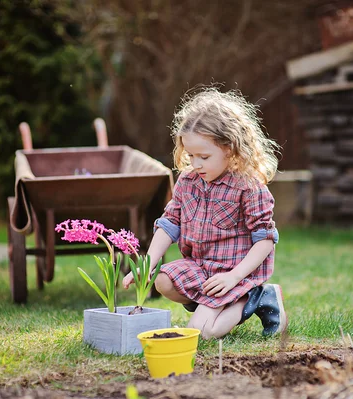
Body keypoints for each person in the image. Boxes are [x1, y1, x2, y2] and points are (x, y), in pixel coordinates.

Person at [122, 87, 287, 339]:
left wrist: (234, 277)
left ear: (229, 149)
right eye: (190, 155)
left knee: (203, 332)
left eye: (204, 156)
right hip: (200, 268)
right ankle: (214, 304)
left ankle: (258, 296)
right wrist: (147, 264)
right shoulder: (188, 181)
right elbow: (169, 223)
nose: (196, 163)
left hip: (235, 271)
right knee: (163, 281)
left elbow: (264, 240)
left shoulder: (248, 186)